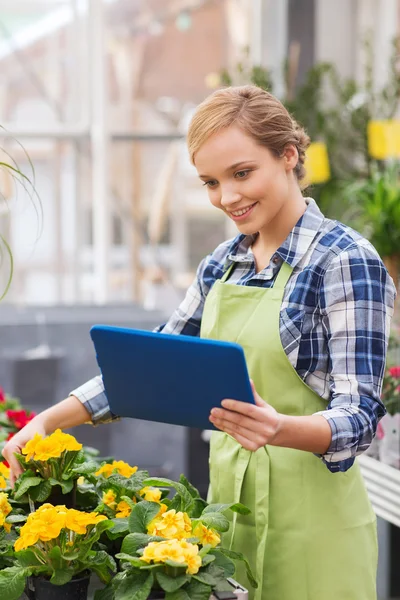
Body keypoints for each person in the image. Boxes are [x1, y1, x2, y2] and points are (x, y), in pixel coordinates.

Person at [3, 86, 396, 600]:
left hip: (315, 531)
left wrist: (279, 427)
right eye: (211, 182)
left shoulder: (345, 261)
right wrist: (49, 421)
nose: (227, 197)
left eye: (241, 173)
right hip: (229, 524)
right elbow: (152, 365)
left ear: (288, 156)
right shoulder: (223, 263)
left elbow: (361, 415)